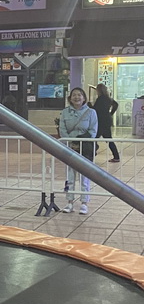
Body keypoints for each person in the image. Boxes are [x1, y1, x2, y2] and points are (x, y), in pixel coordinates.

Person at [58, 87, 98, 215]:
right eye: (74, 95)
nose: (77, 97)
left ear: (84, 98)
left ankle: (84, 203)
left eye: (79, 95)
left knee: (84, 177)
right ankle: (69, 202)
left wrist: (80, 144)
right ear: (70, 98)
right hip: (70, 148)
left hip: (85, 149)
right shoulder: (65, 112)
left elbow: (93, 131)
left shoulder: (91, 112)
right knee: (70, 176)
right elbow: (62, 130)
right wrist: (70, 143)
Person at [92, 82, 120, 163]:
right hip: (107, 120)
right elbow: (116, 104)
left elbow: (95, 110)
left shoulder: (100, 99)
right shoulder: (108, 98)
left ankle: (92, 153)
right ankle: (116, 156)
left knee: (94, 138)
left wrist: (90, 105)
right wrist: (111, 113)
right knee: (109, 139)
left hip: (100, 121)